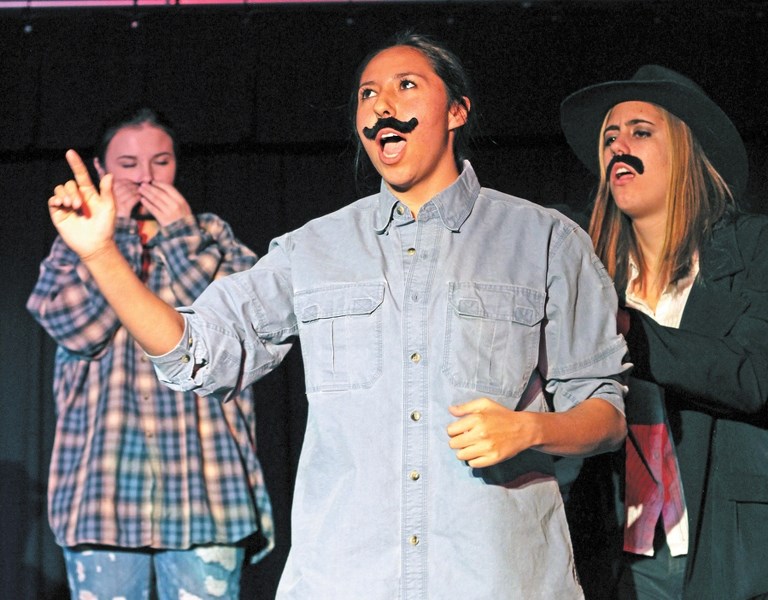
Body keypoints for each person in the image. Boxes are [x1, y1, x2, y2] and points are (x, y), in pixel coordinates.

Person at [45, 33, 629, 598]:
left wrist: (533, 428)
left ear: (456, 111)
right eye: (367, 94)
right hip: (346, 580)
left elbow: (604, 413)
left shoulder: (546, 240)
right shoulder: (314, 249)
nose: (381, 106)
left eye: (405, 85)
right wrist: (100, 254)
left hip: (498, 580)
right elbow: (198, 354)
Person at [27, 106, 274, 599]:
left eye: (160, 162)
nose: (144, 177)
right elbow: (76, 330)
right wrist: (108, 239)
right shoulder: (77, 239)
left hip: (207, 493)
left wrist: (182, 239)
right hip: (103, 492)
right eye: (127, 163)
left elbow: (235, 328)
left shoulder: (210, 234)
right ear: (100, 170)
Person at [561, 65, 768, 599]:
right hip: (623, 549)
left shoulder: (754, 249)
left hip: (735, 551)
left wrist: (633, 333)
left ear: (686, 150)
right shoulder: (586, 269)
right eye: (610, 137)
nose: (618, 146)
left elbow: (754, 372)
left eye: (640, 131)